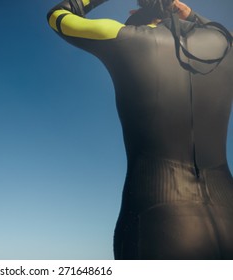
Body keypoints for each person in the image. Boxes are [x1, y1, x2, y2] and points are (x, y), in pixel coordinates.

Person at [47, 0, 233, 259]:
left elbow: (58, 15)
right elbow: (223, 33)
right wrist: (189, 14)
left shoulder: (126, 38)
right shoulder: (224, 45)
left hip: (158, 223)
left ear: (139, 21)